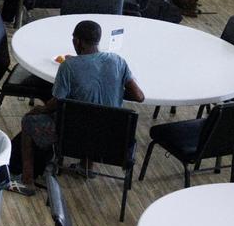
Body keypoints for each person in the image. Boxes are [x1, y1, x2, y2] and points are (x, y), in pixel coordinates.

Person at [12, 20, 145, 196]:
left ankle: (27, 182)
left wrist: (40, 109)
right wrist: (115, 87)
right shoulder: (118, 61)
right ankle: (86, 167)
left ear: (77, 42)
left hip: (73, 138)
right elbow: (139, 96)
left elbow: (57, 101)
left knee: (28, 121)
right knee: (97, 114)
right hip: (111, 140)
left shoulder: (69, 66)